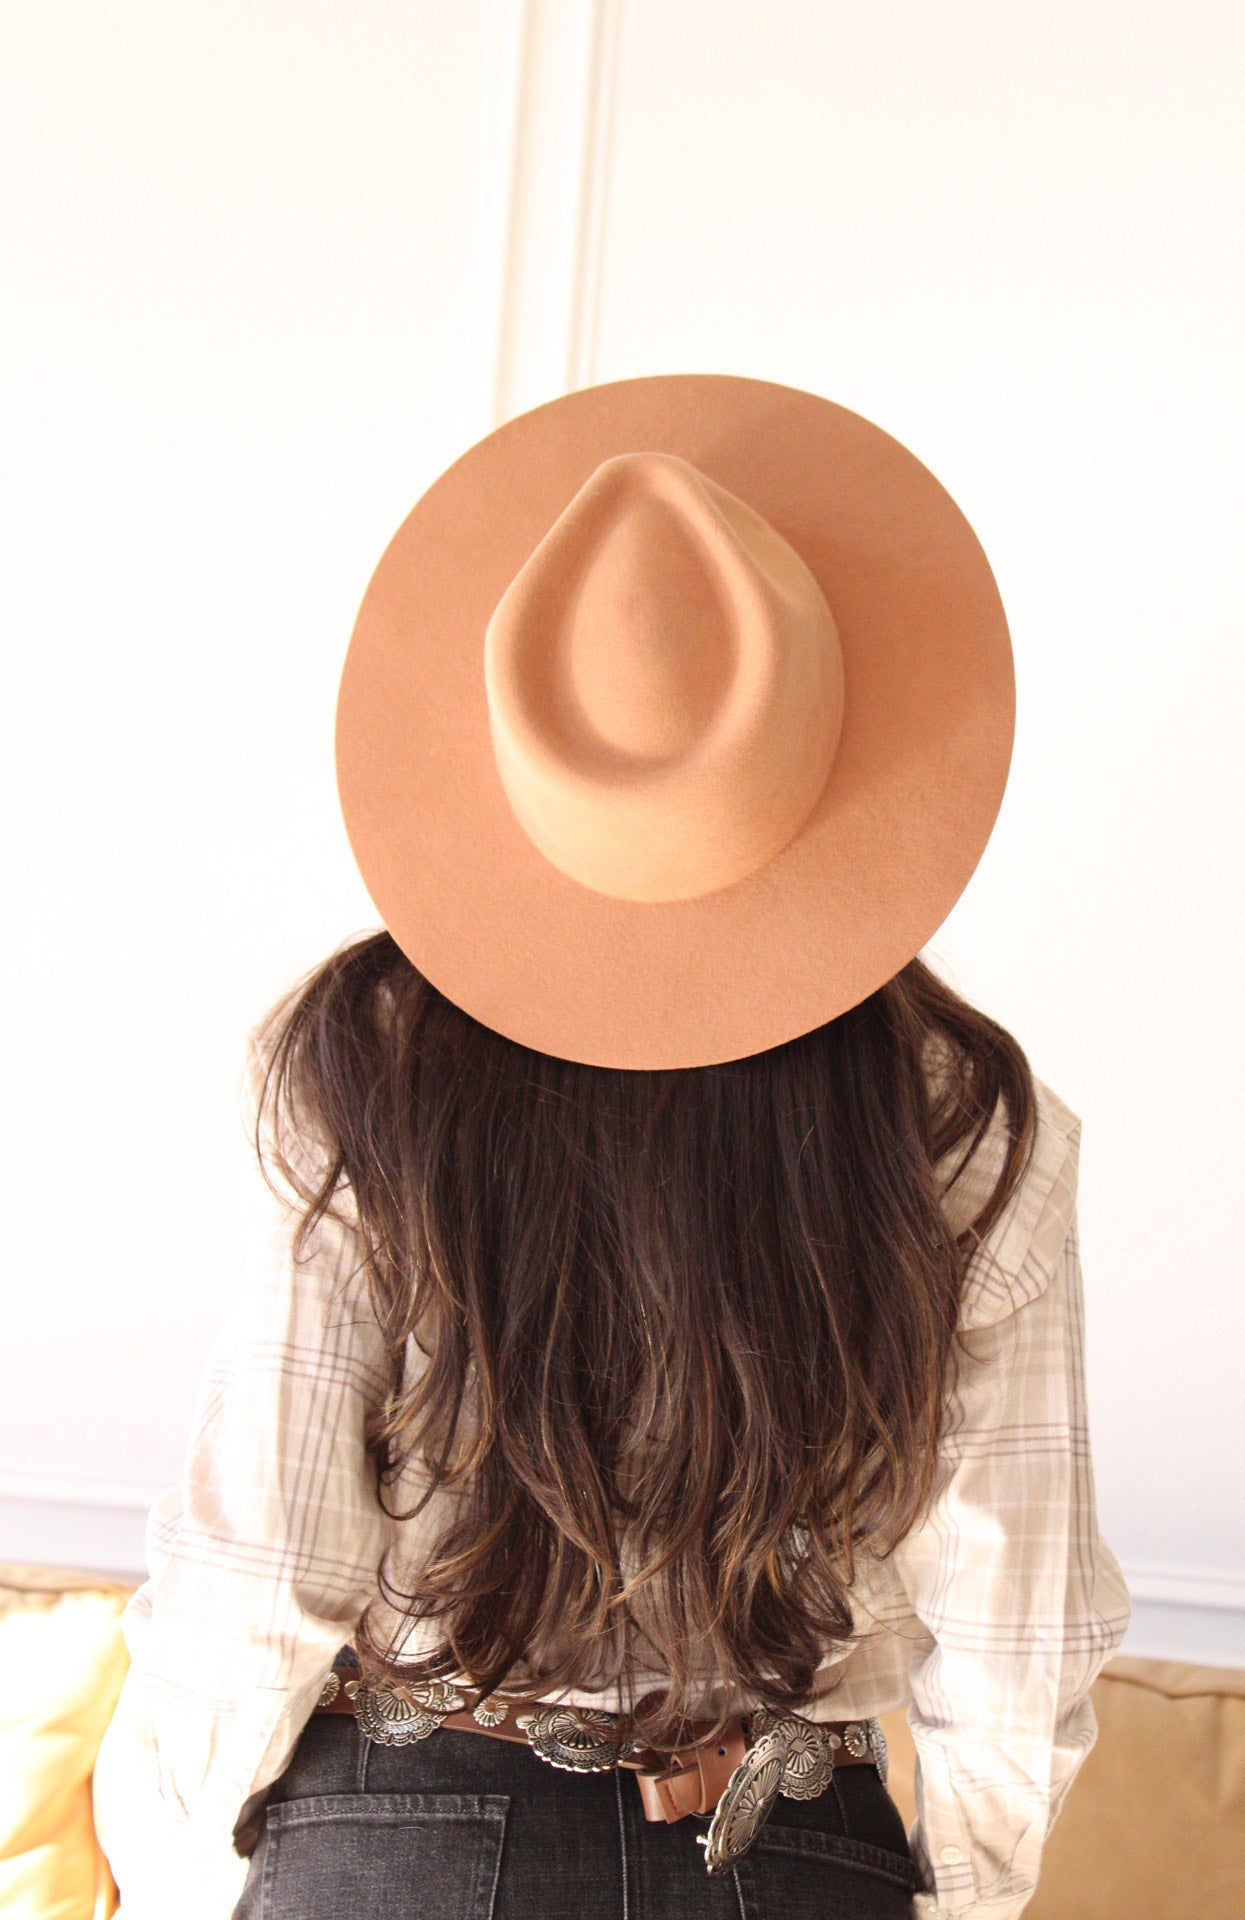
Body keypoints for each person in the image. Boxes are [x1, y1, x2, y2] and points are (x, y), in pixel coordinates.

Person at [94, 375, 1131, 1920]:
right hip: (791, 1849)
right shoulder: (965, 1119)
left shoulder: (362, 1063)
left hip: (395, 1836)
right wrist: (952, 1896)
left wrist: (183, 1878)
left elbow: (260, 1575)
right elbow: (1016, 1638)